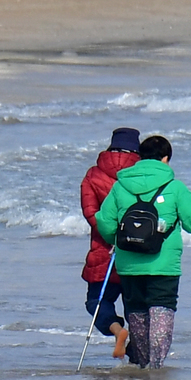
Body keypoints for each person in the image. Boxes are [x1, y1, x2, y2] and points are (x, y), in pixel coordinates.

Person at [96, 135, 191, 369]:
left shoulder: (120, 186)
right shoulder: (174, 187)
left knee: (137, 315)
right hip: (163, 265)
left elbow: (104, 222)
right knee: (161, 312)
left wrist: (119, 239)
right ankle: (155, 368)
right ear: (165, 159)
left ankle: (143, 367)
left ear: (140, 157)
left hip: (129, 265)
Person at [80, 128, 141, 360]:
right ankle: (138, 358)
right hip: (138, 251)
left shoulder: (93, 175)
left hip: (104, 251)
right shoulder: (141, 173)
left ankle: (117, 330)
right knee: (135, 306)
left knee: (97, 301)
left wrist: (112, 234)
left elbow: (91, 214)